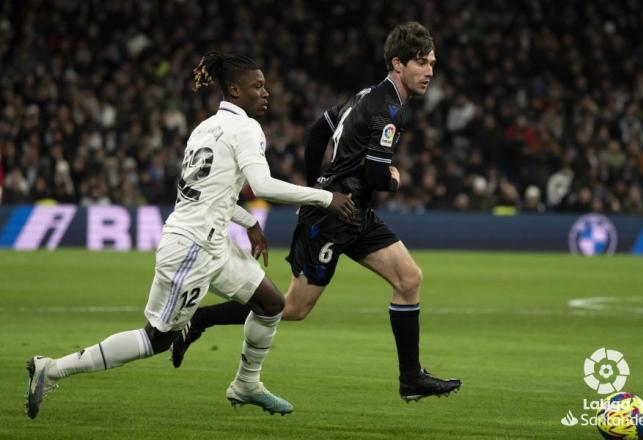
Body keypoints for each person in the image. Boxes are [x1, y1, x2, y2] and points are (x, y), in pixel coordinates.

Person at [24, 52, 355, 419]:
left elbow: (208, 192)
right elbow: (262, 185)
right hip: (191, 248)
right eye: (257, 86)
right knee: (156, 339)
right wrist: (326, 197)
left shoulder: (203, 128)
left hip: (212, 242)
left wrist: (248, 222)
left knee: (271, 304)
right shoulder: (246, 129)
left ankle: (246, 383)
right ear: (234, 90)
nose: (266, 93)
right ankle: (52, 368)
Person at [172, 22, 462, 402]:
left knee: (409, 279)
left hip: (352, 212)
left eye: (432, 63)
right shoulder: (388, 108)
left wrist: (316, 184)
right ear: (397, 63)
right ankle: (201, 320)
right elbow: (376, 173)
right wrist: (392, 181)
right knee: (292, 308)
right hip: (332, 217)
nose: (429, 72)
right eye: (422, 63)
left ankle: (411, 379)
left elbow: (317, 130)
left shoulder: (365, 95)